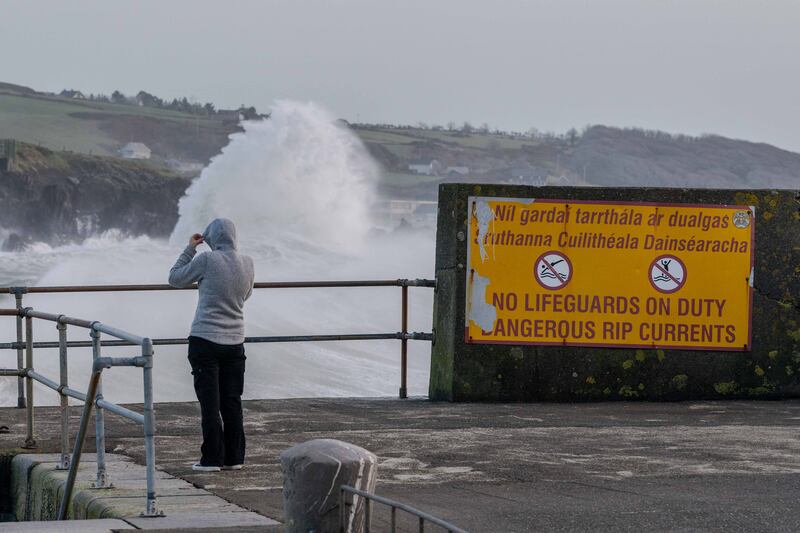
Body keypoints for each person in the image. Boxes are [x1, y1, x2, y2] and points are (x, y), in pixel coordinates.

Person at [168, 218, 255, 472]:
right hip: (235, 341)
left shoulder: (207, 260)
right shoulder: (248, 263)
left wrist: (190, 248)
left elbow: (174, 278)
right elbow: (245, 295)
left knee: (209, 402)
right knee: (232, 401)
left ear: (211, 238)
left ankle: (211, 459)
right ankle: (234, 457)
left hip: (205, 340)